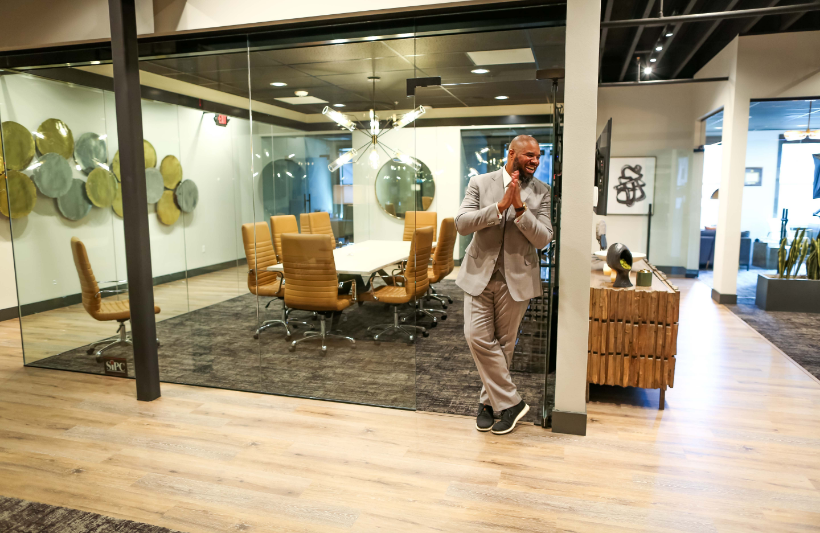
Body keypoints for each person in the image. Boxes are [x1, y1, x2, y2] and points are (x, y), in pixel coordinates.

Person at [455, 135, 553, 435]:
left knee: (504, 344)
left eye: (538, 156)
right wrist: (499, 207)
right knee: (476, 337)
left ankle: (490, 404)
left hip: (518, 280)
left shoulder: (542, 192)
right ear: (512, 154)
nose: (535, 160)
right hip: (478, 275)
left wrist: (521, 210)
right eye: (529, 155)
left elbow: (544, 238)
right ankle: (511, 402)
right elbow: (461, 223)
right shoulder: (479, 183)